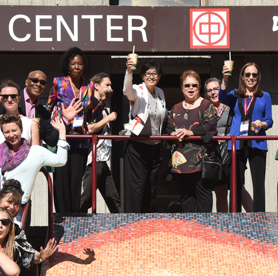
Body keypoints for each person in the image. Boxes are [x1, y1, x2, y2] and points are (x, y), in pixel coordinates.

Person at [219, 62, 273, 212]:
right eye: (247, 74)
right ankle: (235, 218)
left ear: (258, 77)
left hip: (257, 142)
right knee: (235, 183)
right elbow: (222, 98)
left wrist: (262, 124)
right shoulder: (235, 95)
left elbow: (270, 120)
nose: (251, 78)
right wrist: (224, 79)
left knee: (258, 183)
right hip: (237, 143)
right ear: (242, 77)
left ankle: (259, 218)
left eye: (254, 75)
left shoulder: (265, 96)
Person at [48, 47, 96, 213]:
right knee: (62, 180)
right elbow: (50, 106)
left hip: (81, 140)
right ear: (68, 66)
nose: (77, 67)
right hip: (63, 136)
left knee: (76, 182)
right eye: (73, 63)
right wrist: (64, 115)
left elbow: (90, 112)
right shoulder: (58, 82)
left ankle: (74, 219)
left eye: (80, 64)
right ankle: (61, 217)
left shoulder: (89, 86)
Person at [166, 71, 219, 213]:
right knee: (186, 201)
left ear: (199, 87)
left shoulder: (206, 104)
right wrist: (172, 133)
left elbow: (211, 126)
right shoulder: (176, 108)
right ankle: (191, 233)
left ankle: (205, 233)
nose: (191, 88)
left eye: (194, 85)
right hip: (181, 163)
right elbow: (167, 127)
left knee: (204, 201)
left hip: (201, 162)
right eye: (187, 85)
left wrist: (190, 132)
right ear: (182, 88)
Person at [123, 58, 167, 213]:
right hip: (137, 145)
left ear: (159, 76)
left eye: (155, 73)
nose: (151, 76)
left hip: (155, 146)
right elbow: (128, 92)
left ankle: (148, 222)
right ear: (142, 76)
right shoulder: (138, 89)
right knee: (137, 187)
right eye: (148, 73)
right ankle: (134, 223)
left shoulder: (160, 92)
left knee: (151, 186)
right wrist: (129, 72)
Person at [0, 111, 68, 197]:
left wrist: (62, 132)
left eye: (14, 130)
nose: (11, 135)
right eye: (7, 132)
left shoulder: (35, 152)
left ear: (21, 130)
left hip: (18, 204)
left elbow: (61, 160)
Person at [82, 72, 121, 213]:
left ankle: (123, 229)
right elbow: (89, 128)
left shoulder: (103, 108)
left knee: (113, 198)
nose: (110, 88)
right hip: (93, 160)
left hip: (104, 160)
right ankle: (74, 224)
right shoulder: (91, 105)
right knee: (87, 197)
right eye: (107, 85)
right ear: (96, 86)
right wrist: (108, 119)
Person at [205, 77, 240, 212]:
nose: (213, 93)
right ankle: (222, 225)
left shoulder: (230, 105)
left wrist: (228, 136)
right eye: (209, 90)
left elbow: (238, 123)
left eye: (215, 89)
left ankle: (257, 219)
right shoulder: (206, 108)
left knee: (239, 189)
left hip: (230, 151)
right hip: (215, 153)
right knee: (220, 190)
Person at [0, 81, 40, 165]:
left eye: (13, 96)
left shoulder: (31, 123)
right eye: (5, 97)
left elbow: (36, 154)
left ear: (19, 98)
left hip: (21, 170)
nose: (9, 100)